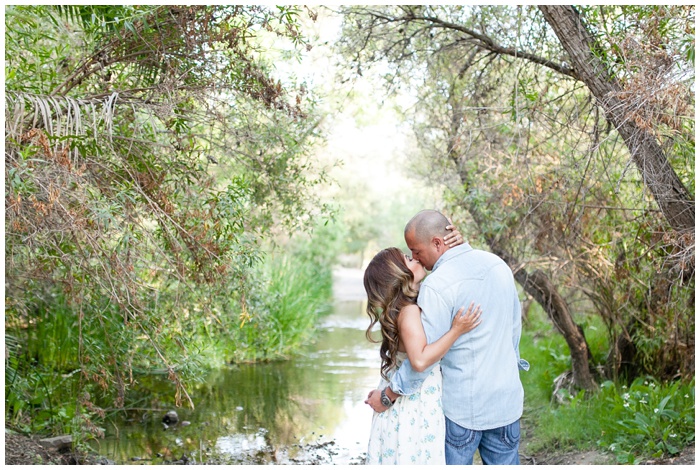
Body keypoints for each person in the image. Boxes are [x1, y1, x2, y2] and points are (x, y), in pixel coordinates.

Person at [366, 209, 529, 465]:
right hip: (505, 400)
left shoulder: (437, 285)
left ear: (438, 243)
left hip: (463, 409)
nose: (417, 259)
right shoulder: (498, 266)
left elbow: (422, 362)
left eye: (416, 251)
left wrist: (388, 396)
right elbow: (513, 332)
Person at [363, 243, 483, 465]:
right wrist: (457, 330)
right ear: (397, 275)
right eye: (409, 259)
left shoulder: (402, 308)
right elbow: (419, 360)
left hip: (404, 399)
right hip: (413, 405)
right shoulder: (408, 311)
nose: (417, 260)